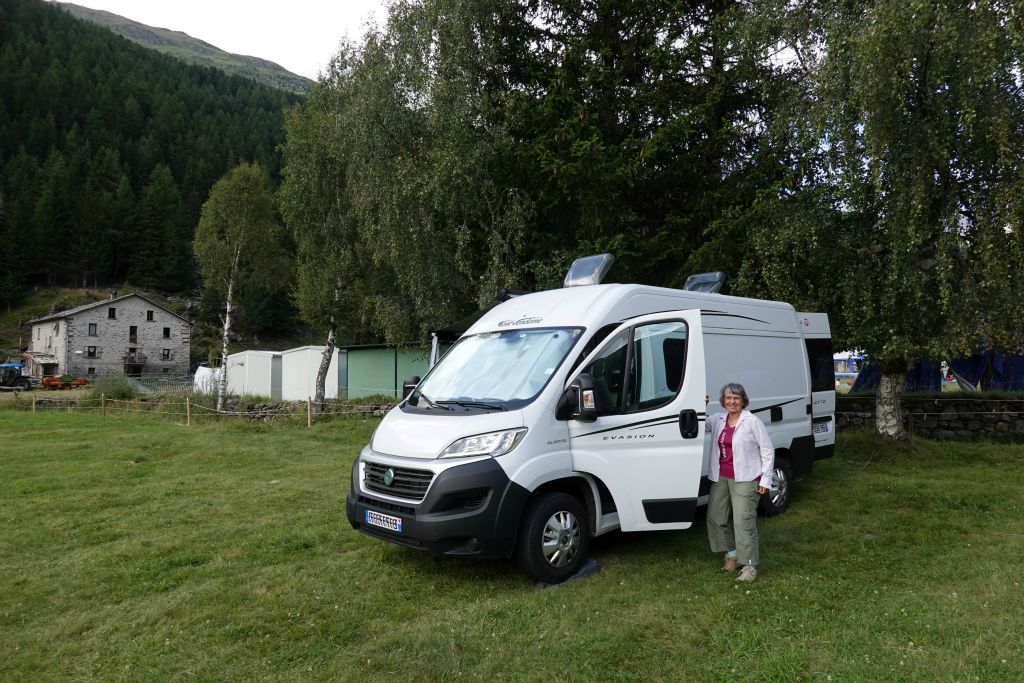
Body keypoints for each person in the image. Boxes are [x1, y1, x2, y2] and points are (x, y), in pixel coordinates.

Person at [704, 383, 775, 582]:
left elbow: (767, 450)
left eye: (736, 398)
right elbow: (697, 423)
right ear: (723, 400)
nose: (732, 401)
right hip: (721, 477)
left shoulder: (752, 421)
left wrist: (765, 479)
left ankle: (750, 566)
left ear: (743, 400)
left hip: (746, 478)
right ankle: (732, 555)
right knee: (716, 518)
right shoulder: (717, 419)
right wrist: (699, 405)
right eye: (728, 398)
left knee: (743, 522)